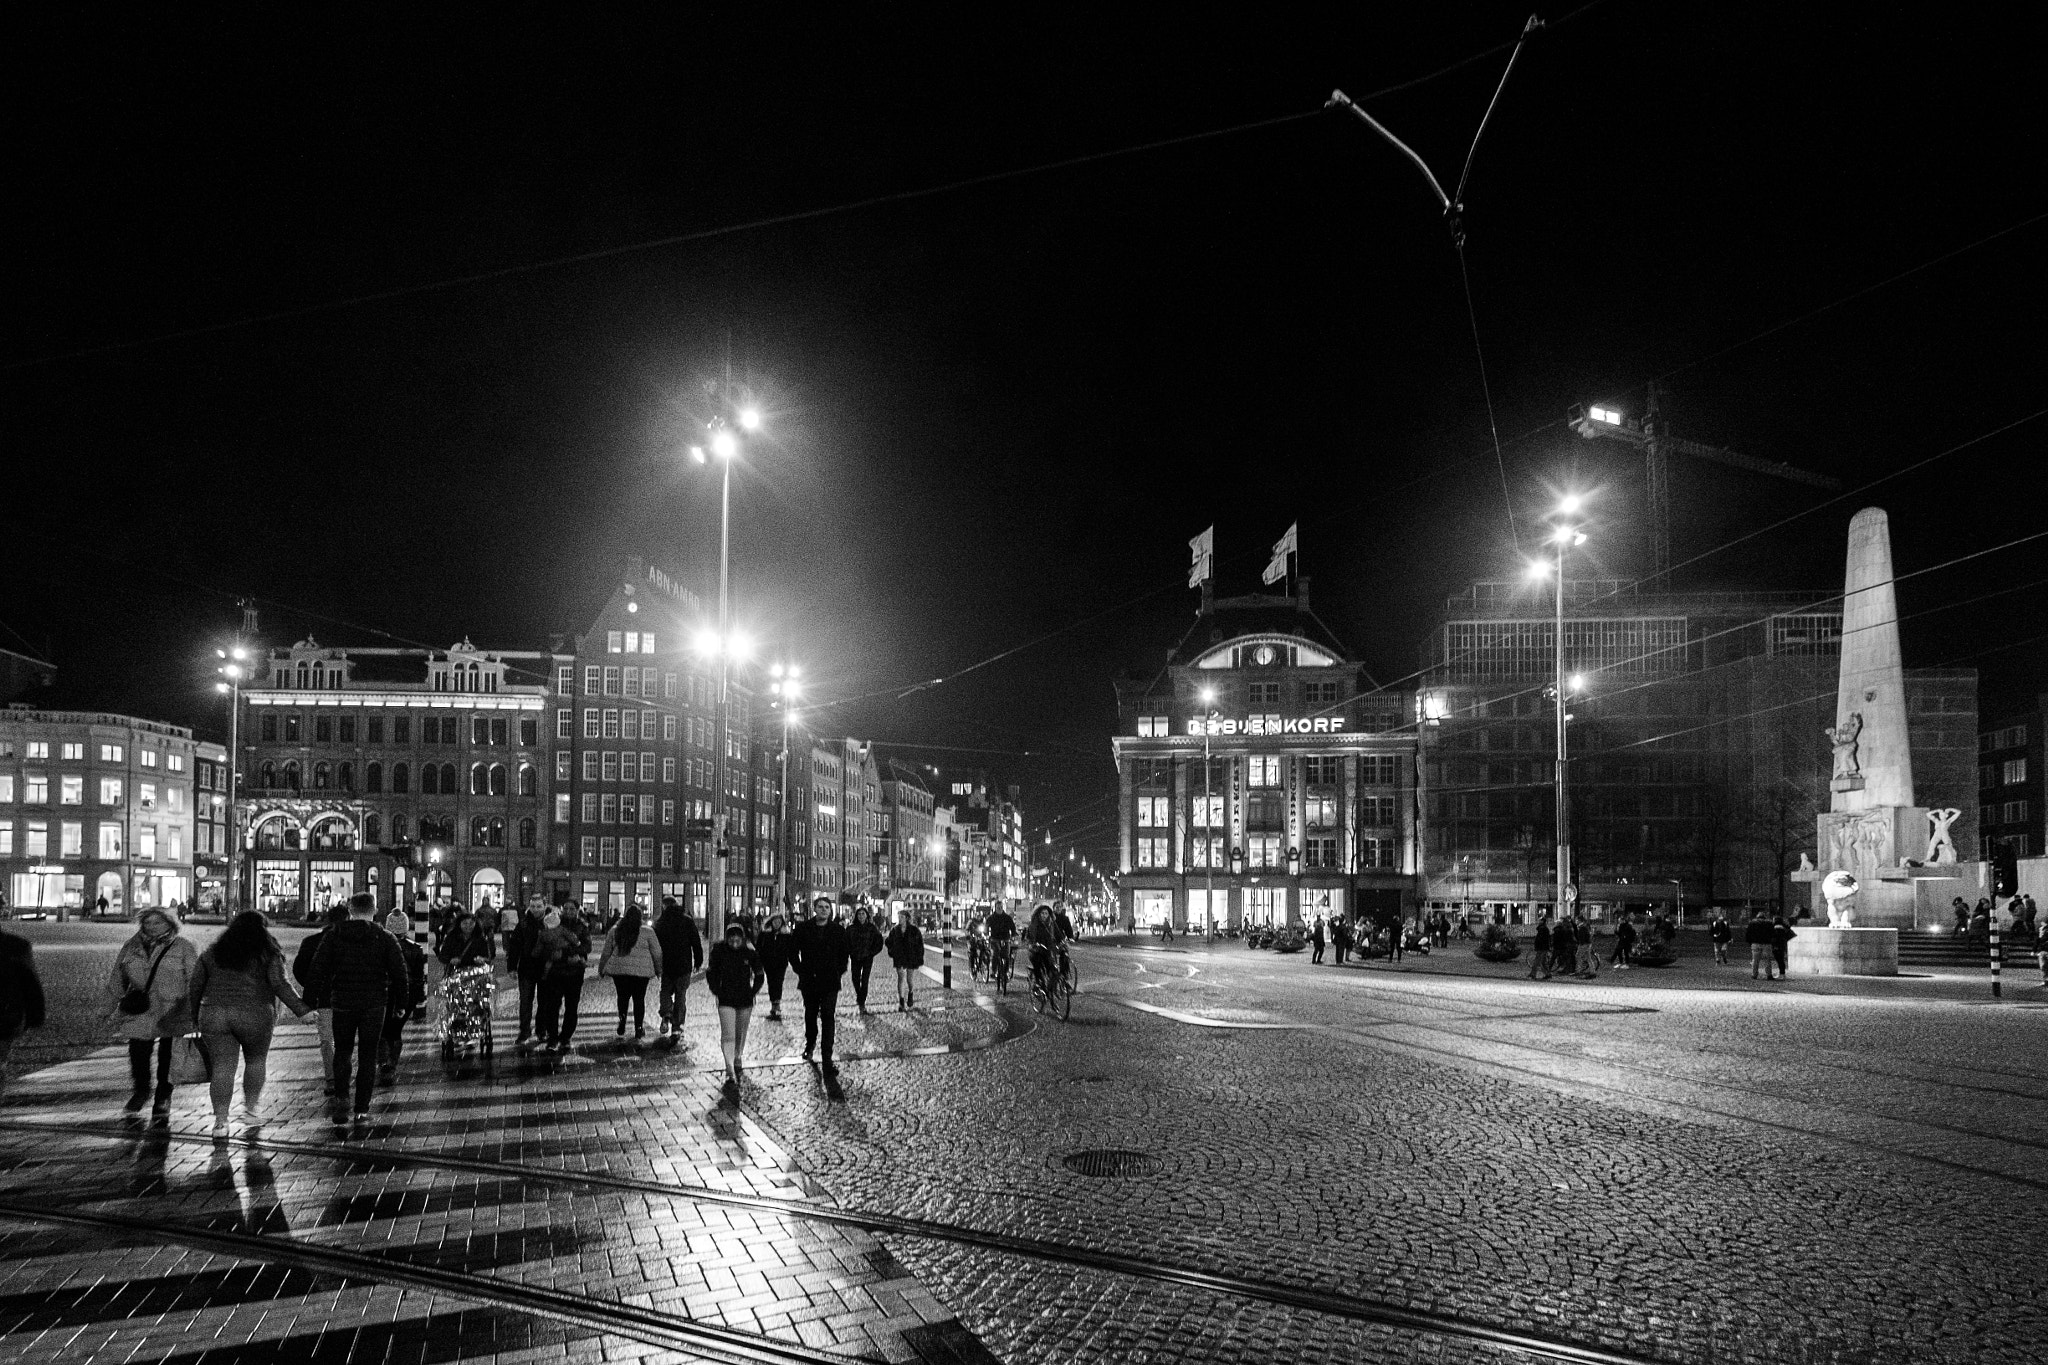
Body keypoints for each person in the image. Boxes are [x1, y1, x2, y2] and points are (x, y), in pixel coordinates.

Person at [188, 911, 312, 1134]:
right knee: (255, 1061)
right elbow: (280, 984)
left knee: (222, 1068)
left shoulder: (213, 952)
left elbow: (196, 986)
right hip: (255, 1013)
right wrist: (302, 1010)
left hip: (214, 1013)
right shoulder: (267, 952)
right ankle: (251, 1111)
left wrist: (193, 1016)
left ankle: (221, 1122)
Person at [308, 893, 407, 1122]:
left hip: (342, 1002)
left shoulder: (335, 935)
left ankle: (342, 1098)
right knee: (367, 1054)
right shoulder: (385, 937)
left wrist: (309, 1001)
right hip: (374, 1004)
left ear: (350, 910)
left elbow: (317, 969)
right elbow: (399, 974)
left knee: (342, 1051)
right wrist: (401, 1004)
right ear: (374, 910)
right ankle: (362, 1108)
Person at [107, 906, 199, 1116]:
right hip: (141, 1007)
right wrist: (108, 1008)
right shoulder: (131, 946)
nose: (151, 927)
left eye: (157, 922)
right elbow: (117, 978)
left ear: (170, 924)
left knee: (168, 1056)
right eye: (147, 923)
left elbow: (194, 979)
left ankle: (163, 1097)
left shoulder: (184, 946)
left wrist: (191, 1008)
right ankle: (140, 1091)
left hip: (172, 1009)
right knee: (138, 1052)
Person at [789, 896, 851, 1074]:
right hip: (809, 980)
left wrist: (839, 970)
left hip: (830, 981)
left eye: (826, 907)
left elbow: (844, 953)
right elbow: (793, 951)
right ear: (815, 909)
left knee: (828, 1016)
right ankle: (810, 1043)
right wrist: (800, 969)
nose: (823, 910)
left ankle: (827, 1057)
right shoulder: (803, 929)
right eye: (820, 907)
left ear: (830, 911)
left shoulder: (837, 931)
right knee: (810, 1014)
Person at [293, 903, 349, 1096]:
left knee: (327, 1040)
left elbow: (298, 970)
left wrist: (312, 989)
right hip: (348, 998)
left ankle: (332, 1078)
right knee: (345, 1039)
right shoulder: (353, 942)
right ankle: (343, 1075)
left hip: (323, 998)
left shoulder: (311, 941)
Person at [706, 921, 765, 1089]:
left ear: (742, 937)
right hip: (726, 999)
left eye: (737, 937)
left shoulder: (750, 953)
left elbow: (760, 973)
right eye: (731, 937)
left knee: (741, 1032)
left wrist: (753, 991)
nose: (734, 940)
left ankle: (738, 1055)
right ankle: (729, 1067)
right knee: (728, 1034)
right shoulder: (719, 952)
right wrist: (716, 990)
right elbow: (711, 973)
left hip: (745, 999)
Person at [599, 904, 664, 1042]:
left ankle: (622, 1020)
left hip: (620, 971)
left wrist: (602, 968)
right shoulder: (648, 932)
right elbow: (657, 953)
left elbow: (606, 952)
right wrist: (659, 970)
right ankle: (639, 1027)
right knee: (639, 999)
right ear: (640, 917)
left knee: (622, 997)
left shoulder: (615, 930)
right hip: (641, 973)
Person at [378, 910, 428, 1083]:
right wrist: (420, 996)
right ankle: (392, 1063)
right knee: (396, 1030)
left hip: (384, 994)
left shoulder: (381, 946)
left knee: (383, 1029)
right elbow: (420, 976)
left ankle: (384, 1062)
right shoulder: (415, 948)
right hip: (408, 995)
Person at [0, 923, 47, 1103]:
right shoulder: (16, 945)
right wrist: (35, 1016)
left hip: (5, 1017)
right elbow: (31, 984)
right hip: (7, 1016)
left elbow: (30, 983)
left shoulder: (16, 946)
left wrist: (35, 1015)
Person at [536, 903, 592, 1049]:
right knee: (552, 1006)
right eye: (565, 908)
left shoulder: (582, 926)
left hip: (574, 972)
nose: (568, 911)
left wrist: (566, 953)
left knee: (572, 1006)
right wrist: (551, 954)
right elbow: (542, 945)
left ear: (577, 910)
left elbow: (587, 946)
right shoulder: (552, 923)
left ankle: (566, 1036)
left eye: (572, 909)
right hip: (555, 973)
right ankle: (552, 1037)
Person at [653, 898, 704, 1039]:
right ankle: (677, 1027)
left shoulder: (660, 923)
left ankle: (666, 1012)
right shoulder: (687, 920)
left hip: (667, 965)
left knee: (665, 991)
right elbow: (696, 942)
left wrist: (656, 965)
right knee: (681, 995)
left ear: (664, 906)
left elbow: (655, 946)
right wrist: (698, 960)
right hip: (684, 965)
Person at [506, 898, 550, 1046]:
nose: (536, 909)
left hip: (546, 969)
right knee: (525, 1001)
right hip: (526, 968)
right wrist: (511, 967)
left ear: (545, 906)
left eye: (539, 906)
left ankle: (541, 1030)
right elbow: (515, 946)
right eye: (533, 906)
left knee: (544, 1001)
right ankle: (524, 1031)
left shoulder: (551, 922)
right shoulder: (523, 923)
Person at [885, 909, 925, 1011]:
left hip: (911, 956)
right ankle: (901, 1002)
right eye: (899, 917)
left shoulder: (914, 930)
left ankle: (911, 992)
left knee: (909, 979)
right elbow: (888, 941)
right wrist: (892, 951)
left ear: (907, 918)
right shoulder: (895, 930)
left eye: (902, 917)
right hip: (899, 957)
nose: (900, 919)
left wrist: (919, 956)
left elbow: (920, 944)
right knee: (900, 978)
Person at [847, 905, 884, 1013]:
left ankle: (862, 1001)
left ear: (866, 915)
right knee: (855, 978)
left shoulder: (872, 928)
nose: (861, 916)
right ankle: (859, 995)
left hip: (867, 957)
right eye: (859, 914)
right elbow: (845, 942)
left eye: (863, 914)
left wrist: (872, 952)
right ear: (856, 916)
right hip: (855, 957)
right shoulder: (851, 928)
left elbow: (879, 941)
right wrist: (850, 952)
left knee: (865, 979)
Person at [756, 913, 792, 1022]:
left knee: (779, 982)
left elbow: (790, 949)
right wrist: (759, 961)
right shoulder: (765, 934)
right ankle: (773, 1003)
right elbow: (759, 948)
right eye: (775, 921)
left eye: (779, 922)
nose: (777, 923)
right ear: (771, 922)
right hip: (768, 963)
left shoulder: (786, 934)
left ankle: (777, 1004)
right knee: (771, 983)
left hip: (781, 963)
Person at [439, 907, 495, 973]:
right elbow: (442, 956)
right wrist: (451, 960)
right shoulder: (452, 937)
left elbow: (488, 957)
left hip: (474, 973)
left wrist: (482, 959)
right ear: (459, 924)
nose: (468, 926)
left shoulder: (480, 938)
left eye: (471, 923)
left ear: (475, 923)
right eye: (465, 923)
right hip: (455, 973)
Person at [1745, 910, 1776, 980]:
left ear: (1757, 917)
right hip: (1767, 944)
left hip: (1755, 943)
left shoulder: (1752, 923)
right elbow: (1773, 934)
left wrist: (1750, 943)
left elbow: (1748, 934)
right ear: (1764, 917)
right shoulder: (1769, 923)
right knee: (1767, 960)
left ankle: (1754, 974)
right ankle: (1769, 975)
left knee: (1755, 960)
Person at [1770, 913, 1796, 978]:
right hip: (1782, 945)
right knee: (1781, 960)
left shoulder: (1776, 928)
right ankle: (1782, 973)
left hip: (1777, 946)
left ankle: (1782, 974)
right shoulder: (1784, 927)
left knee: (1779, 960)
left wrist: (1775, 945)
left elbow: (1776, 938)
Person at [1528, 913, 1552, 981]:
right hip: (1543, 947)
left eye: (1540, 920)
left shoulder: (1542, 929)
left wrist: (1537, 946)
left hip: (1541, 948)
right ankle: (1547, 974)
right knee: (1542, 962)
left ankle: (1533, 974)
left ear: (1542, 922)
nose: (1538, 921)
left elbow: (1541, 939)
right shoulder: (1543, 929)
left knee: (1538, 961)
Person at [1575, 915, 1599, 979]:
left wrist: (1581, 944)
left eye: (1576, 920)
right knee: (1588, 958)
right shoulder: (1584, 927)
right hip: (1587, 944)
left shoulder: (1582, 927)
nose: (1576, 921)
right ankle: (1592, 972)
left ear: (1579, 920)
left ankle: (1579, 971)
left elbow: (1582, 937)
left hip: (1584, 944)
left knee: (1578, 957)